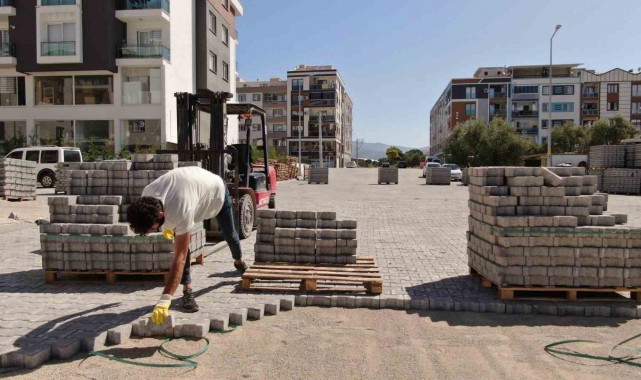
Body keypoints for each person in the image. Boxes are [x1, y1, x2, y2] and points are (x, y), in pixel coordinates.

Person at [126, 166, 248, 325]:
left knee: (229, 234)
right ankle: (187, 290)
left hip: (216, 193)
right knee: (183, 242)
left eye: (152, 228)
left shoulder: (180, 209)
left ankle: (239, 261)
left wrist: (165, 299)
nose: (151, 232)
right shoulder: (147, 195)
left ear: (161, 215)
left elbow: (180, 258)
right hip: (194, 189)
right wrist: (166, 227)